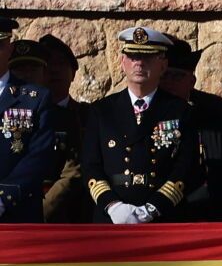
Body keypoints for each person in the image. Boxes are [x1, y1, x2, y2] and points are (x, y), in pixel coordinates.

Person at [81, 26, 201, 224]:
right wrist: (112, 206)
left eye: (147, 57)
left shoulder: (181, 111)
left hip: (162, 216)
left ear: (163, 65)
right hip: (112, 217)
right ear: (122, 63)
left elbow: (186, 167)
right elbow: (90, 166)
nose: (139, 63)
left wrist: (152, 209)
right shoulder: (101, 111)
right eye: (133, 56)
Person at [161, 37, 222, 222]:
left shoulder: (215, 109)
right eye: (165, 76)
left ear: (192, 80)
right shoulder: (150, 109)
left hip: (212, 209)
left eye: (177, 76)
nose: (169, 83)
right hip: (165, 209)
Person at [29, 34, 91, 223]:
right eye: (47, 64)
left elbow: (75, 172)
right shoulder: (18, 114)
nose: (54, 70)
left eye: (61, 63)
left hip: (71, 218)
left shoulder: (89, 116)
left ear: (73, 73)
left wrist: (41, 213)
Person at [0, 37, 57, 223]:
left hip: (17, 211)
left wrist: (3, 197)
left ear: (9, 48)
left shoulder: (35, 97)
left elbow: (39, 154)